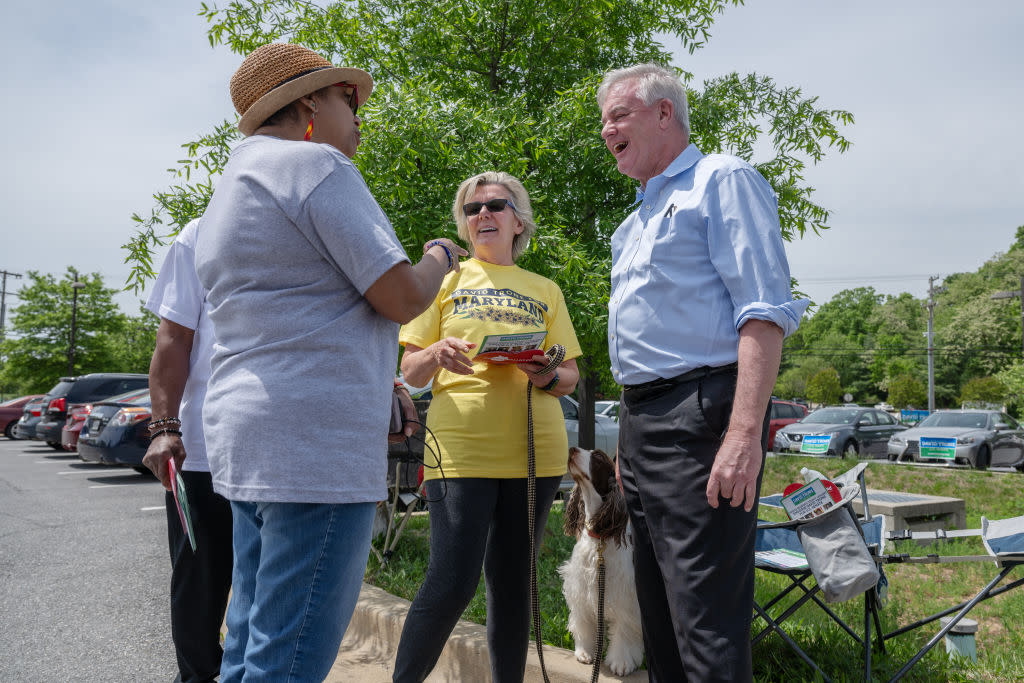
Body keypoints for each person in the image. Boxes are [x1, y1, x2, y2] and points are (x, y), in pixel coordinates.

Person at [192, 42, 465, 683]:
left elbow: (301, 317)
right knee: (286, 664)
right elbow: (399, 296)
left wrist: (383, 383)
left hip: (250, 438)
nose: (361, 112)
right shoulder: (315, 167)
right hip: (313, 445)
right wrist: (438, 257)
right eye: (349, 97)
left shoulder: (229, 188)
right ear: (309, 102)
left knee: (249, 648)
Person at [596, 63, 809, 682]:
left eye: (619, 115)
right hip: (641, 420)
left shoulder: (722, 180)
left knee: (704, 621)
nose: (607, 130)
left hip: (700, 416)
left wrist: (743, 434)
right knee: (659, 615)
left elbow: (764, 313)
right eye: (602, 121)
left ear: (665, 114)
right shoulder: (633, 221)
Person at [392, 171, 582, 683]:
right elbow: (409, 371)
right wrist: (434, 352)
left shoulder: (546, 289)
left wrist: (544, 371)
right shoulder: (445, 282)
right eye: (473, 210)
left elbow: (569, 376)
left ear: (519, 220)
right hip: (459, 449)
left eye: (496, 205)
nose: (483, 216)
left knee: (513, 582)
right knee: (451, 581)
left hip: (535, 452)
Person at [142, 217, 232, 683]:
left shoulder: (313, 219)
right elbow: (173, 338)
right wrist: (163, 426)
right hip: (202, 455)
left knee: (267, 602)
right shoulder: (201, 233)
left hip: (278, 455)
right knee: (199, 597)